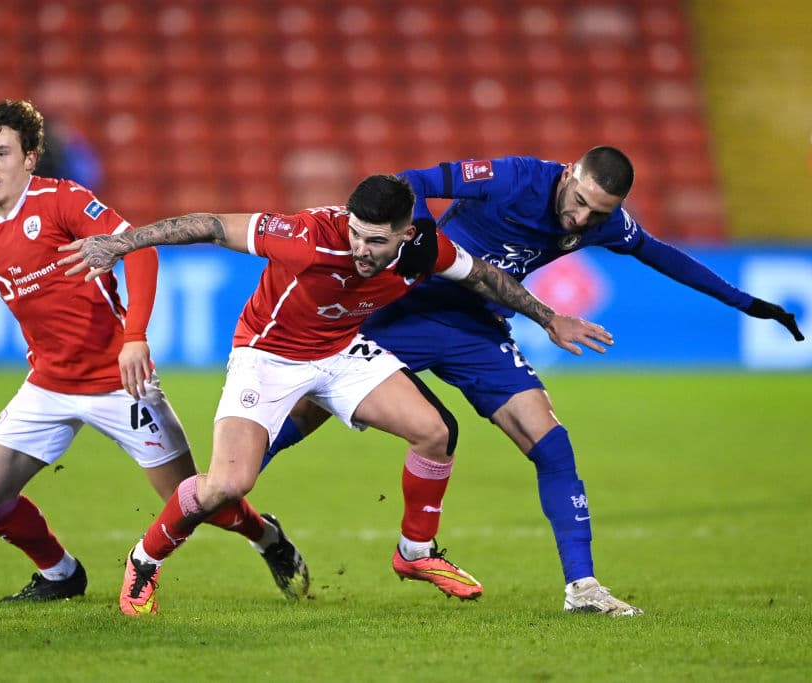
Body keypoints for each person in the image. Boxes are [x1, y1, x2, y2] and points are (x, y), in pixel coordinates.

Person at [261, 146, 806, 616]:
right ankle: (218, 499)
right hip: (406, 310)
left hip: (477, 328)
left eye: (598, 213)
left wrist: (750, 305)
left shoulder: (603, 222)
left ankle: (583, 586)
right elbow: (416, 183)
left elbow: (664, 257)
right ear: (569, 174)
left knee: (551, 441)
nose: (581, 219)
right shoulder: (515, 177)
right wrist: (423, 243)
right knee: (307, 412)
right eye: (580, 202)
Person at [57, 174, 614, 615]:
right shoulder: (304, 236)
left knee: (435, 432)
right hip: (267, 357)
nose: (362, 250)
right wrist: (122, 243)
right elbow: (206, 224)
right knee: (228, 484)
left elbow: (483, 277)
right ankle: (144, 560)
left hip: (342, 351)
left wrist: (547, 317)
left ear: (404, 232)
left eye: (376, 241)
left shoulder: (425, 248)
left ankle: (415, 554)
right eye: (355, 234)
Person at [0, 99, 309, 607]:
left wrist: (134, 337)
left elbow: (139, 250)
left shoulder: (64, 202)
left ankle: (266, 537)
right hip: (48, 386)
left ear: (30, 158)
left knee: (195, 500)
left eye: (1, 153)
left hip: (118, 383)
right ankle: (61, 574)